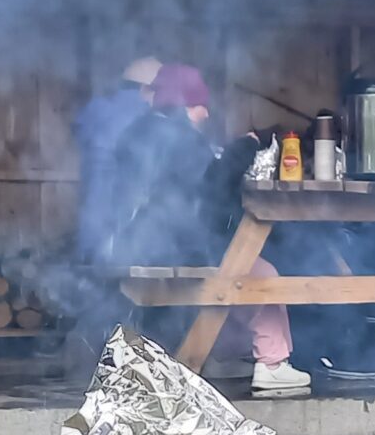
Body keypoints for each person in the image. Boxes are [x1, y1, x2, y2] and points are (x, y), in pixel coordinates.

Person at [109, 65, 310, 394]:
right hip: (175, 245)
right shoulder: (178, 138)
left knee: (233, 266)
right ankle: (273, 364)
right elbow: (210, 194)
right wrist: (241, 151)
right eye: (202, 105)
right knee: (259, 273)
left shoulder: (142, 132)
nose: (206, 113)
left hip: (142, 242)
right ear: (188, 104)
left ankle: (225, 353)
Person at [75, 56, 160, 266]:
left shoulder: (97, 109)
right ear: (146, 89)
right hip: (119, 222)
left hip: (89, 225)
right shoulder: (143, 116)